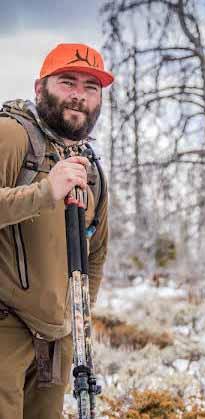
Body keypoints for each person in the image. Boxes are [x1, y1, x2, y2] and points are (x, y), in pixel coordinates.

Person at [0, 43, 112, 418]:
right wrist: (45, 192)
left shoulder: (90, 167)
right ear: (39, 88)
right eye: (68, 82)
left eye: (91, 87)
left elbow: (95, 251)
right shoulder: (11, 135)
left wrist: (76, 322)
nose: (79, 95)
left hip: (58, 341)